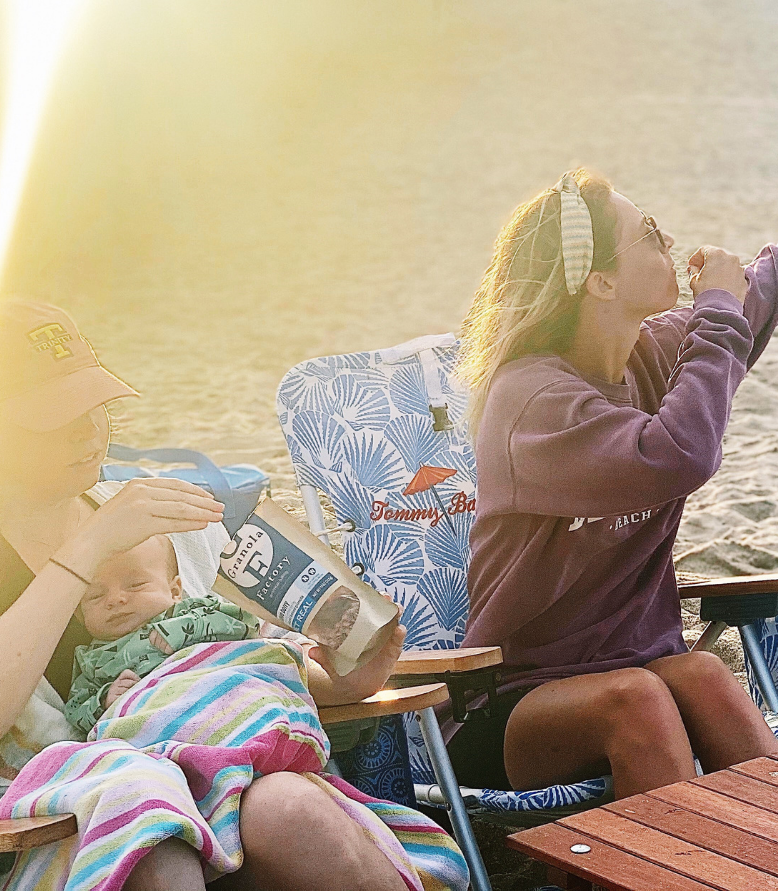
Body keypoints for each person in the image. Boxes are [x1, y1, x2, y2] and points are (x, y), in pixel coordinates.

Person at [452, 110, 778, 801]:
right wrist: (718, 313)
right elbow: (679, 454)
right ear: (599, 282)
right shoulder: (531, 403)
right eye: (649, 235)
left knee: (702, 675)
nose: (670, 241)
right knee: (638, 696)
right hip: (512, 708)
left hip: (641, 674)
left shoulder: (653, 354)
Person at [0, 300, 467, 891]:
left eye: (96, 408)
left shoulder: (164, 519)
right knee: (152, 841)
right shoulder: (120, 521)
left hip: (213, 773)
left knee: (290, 812)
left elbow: (234, 661)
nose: (89, 433)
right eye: (53, 418)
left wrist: (344, 681)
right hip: (57, 818)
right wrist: (90, 547)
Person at [64, 535, 257, 733]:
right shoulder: (91, 659)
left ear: (174, 592)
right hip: (158, 728)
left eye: (135, 584)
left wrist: (185, 628)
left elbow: (246, 622)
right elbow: (74, 709)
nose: (115, 599)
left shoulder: (188, 612)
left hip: (220, 696)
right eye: (96, 596)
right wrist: (104, 699)